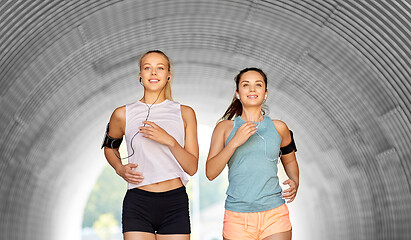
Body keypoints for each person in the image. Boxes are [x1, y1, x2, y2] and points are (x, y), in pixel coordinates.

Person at [102, 50, 199, 240]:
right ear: (140, 76)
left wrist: (169, 140)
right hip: (138, 201)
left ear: (168, 76)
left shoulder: (185, 113)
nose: (153, 73)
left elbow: (192, 167)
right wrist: (119, 168)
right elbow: (109, 147)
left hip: (174, 201)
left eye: (160, 68)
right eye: (148, 68)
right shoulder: (122, 114)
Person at [206, 68, 299, 240]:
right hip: (237, 216)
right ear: (237, 93)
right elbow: (210, 172)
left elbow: (290, 159)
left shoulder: (279, 128)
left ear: (265, 93)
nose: (252, 89)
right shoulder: (224, 128)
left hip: (275, 214)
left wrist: (295, 181)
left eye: (258, 84)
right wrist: (235, 142)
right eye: (245, 85)